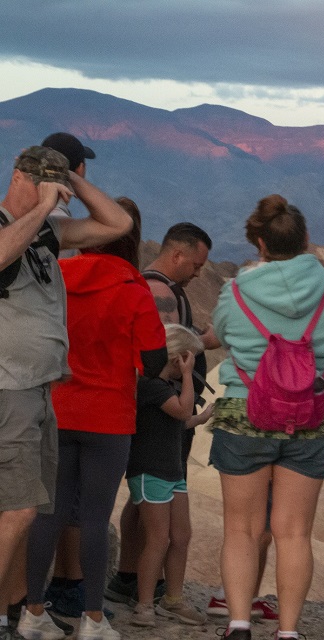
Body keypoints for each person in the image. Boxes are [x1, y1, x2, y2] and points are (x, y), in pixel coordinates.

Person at [0, 146, 131, 640]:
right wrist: (37, 208)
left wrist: (73, 184)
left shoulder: (48, 233)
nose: (51, 197)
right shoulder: (11, 224)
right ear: (18, 176)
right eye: (41, 183)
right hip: (6, 385)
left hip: (39, 390)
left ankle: (14, 611)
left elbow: (116, 224)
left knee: (31, 508)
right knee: (18, 509)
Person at [21, 197, 166, 640]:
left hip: (58, 410)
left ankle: (32, 613)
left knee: (49, 513)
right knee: (94, 519)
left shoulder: (57, 278)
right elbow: (154, 362)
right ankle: (94, 620)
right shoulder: (134, 288)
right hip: (109, 418)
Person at [210, 194, 324, 640]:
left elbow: (225, 333)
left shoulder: (235, 291)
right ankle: (289, 631)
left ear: (259, 243)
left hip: (244, 415)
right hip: (311, 416)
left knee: (242, 529)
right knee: (293, 532)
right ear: (306, 239)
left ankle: (238, 625)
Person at [107, 222, 216, 605]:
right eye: (197, 264)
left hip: (167, 417)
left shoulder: (160, 287)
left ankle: (131, 576)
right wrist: (204, 342)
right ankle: (137, 583)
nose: (200, 272)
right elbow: (165, 347)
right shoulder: (160, 292)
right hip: (162, 422)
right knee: (150, 511)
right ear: (178, 255)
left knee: (143, 504)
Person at [126, 324, 211, 629]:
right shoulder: (151, 386)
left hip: (171, 471)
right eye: (188, 361)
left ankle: (172, 599)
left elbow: (179, 421)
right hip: (151, 471)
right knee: (158, 539)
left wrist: (202, 418)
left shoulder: (166, 390)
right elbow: (181, 411)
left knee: (182, 536)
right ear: (178, 359)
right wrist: (188, 377)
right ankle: (144, 604)